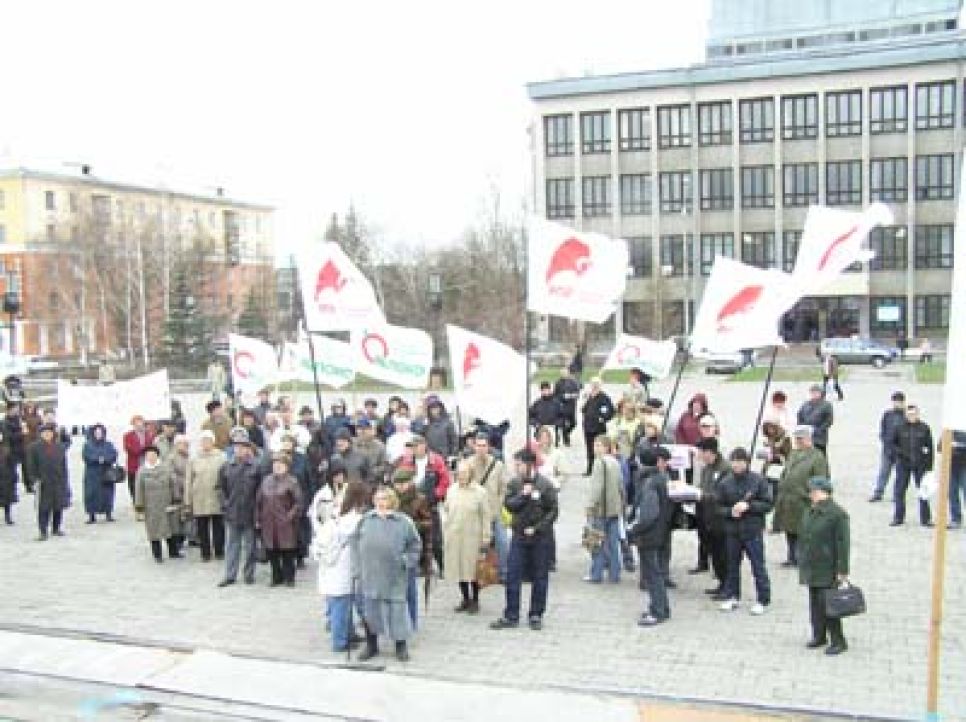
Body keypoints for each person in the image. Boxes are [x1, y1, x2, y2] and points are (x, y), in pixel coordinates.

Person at [490, 449, 559, 631]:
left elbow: (553, 511)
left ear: (529, 465)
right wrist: (523, 495)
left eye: (519, 464)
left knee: (539, 576)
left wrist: (537, 528)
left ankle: (536, 613)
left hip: (540, 537)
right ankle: (511, 614)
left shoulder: (545, 485)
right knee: (513, 574)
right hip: (519, 536)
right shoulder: (514, 484)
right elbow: (509, 505)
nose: (516, 467)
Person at [352, 486, 422, 662]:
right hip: (370, 574)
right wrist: (357, 567)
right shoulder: (366, 520)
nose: (381, 503)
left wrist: (406, 561)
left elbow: (415, 545)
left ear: (392, 501)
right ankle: (371, 645)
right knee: (370, 611)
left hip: (394, 575)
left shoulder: (403, 522)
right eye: (378, 499)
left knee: (397, 611)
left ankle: (400, 646)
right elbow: (354, 542)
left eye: (384, 499)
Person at [716, 447, 773, 615]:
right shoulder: (725, 482)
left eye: (740, 462)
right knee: (732, 565)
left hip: (752, 530)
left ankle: (763, 598)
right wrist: (729, 512)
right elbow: (718, 506)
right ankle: (732, 595)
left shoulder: (758, 481)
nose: (737, 465)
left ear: (747, 463)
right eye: (734, 462)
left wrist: (749, 506)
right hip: (732, 531)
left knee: (758, 566)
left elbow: (768, 504)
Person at [798, 476, 850, 655]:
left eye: (813, 491)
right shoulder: (810, 510)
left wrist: (842, 570)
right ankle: (819, 635)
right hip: (813, 564)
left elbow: (843, 544)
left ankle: (838, 640)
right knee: (815, 603)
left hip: (828, 566)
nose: (810, 494)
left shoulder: (837, 514)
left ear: (823, 492)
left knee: (829, 603)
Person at [317, 481, 368, 652]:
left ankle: (349, 634)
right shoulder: (354, 519)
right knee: (341, 604)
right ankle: (340, 641)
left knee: (340, 603)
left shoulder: (337, 512)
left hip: (330, 563)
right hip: (342, 566)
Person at [628, 446, 675, 626]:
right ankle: (662, 607)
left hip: (649, 534)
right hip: (660, 531)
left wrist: (633, 529)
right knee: (656, 573)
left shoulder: (649, 483)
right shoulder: (661, 479)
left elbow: (647, 515)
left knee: (652, 574)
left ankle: (658, 610)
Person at [774, 426, 829, 567]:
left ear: (809, 439)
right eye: (796, 439)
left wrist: (816, 498)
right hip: (788, 499)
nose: (798, 442)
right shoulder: (793, 453)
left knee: (803, 532)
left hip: (803, 500)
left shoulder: (817, 457)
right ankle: (792, 557)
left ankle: (804, 558)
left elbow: (821, 480)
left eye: (800, 439)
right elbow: (786, 470)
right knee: (789, 530)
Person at [444, 461, 492, 614]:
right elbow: (446, 510)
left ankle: (475, 600)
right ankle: (465, 598)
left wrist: (486, 537)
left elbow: (486, 516)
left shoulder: (480, 492)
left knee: (472, 570)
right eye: (459, 473)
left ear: (471, 474)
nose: (461, 476)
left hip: (472, 537)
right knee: (459, 569)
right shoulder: (451, 490)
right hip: (455, 536)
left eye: (464, 473)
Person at [217, 428, 262, 587]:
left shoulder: (256, 466)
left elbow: (260, 490)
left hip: (250, 512)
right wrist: (225, 504)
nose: (239, 449)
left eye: (243, 446)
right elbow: (220, 488)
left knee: (250, 547)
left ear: (248, 448)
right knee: (232, 546)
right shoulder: (226, 466)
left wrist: (258, 511)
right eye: (236, 446)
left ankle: (249, 574)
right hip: (232, 512)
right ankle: (230, 575)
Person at [390, 465, 433, 629]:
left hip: (410, 548)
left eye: (403, 483)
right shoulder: (391, 498)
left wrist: (410, 525)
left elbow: (428, 522)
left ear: (410, 483)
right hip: (392, 548)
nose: (400, 487)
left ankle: (411, 621)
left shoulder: (419, 499)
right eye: (397, 484)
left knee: (409, 588)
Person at [256, 453, 303, 587]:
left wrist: (290, 516)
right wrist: (258, 518)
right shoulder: (266, 480)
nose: (277, 466)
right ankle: (276, 577)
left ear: (286, 467)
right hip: (268, 522)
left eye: (280, 464)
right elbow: (259, 500)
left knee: (287, 551)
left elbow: (298, 502)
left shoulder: (292, 481)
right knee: (272, 551)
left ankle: (289, 578)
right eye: (275, 464)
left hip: (285, 522)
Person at [468, 433, 509, 583]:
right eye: (478, 445)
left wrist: (499, 505)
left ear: (488, 447)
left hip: (494, 511)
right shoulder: (468, 464)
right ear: (474, 447)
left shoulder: (497, 465)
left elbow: (504, 488)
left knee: (502, 542)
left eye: (484, 446)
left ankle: (504, 572)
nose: (481, 449)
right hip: (474, 512)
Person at [584, 435, 624, 584]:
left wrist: (590, 505)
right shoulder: (615, 462)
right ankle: (615, 573)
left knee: (597, 542)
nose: (596, 448)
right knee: (613, 543)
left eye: (599, 445)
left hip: (601, 509)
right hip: (614, 509)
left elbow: (597, 488)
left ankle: (596, 573)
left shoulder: (599, 463)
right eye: (595, 445)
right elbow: (621, 486)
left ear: (606, 447)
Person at [888, 404, 934, 527]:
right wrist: (899, 454)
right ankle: (898, 517)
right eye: (909, 414)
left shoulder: (924, 428)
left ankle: (926, 519)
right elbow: (891, 444)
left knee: (923, 491)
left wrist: (929, 467)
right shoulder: (899, 428)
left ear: (918, 414)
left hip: (920, 465)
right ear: (905, 415)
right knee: (899, 491)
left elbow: (930, 448)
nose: (912, 416)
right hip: (903, 464)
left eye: (914, 414)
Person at [695, 438, 730, 599]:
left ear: (709, 452)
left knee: (723, 554)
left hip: (720, 518)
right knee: (714, 553)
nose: (699, 455)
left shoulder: (725, 469)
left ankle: (728, 586)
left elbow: (722, 494)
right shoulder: (707, 468)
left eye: (701, 452)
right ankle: (721, 583)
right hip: (707, 516)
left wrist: (702, 495)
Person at [135, 445, 181, 562]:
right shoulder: (141, 471)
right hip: (151, 506)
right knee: (153, 531)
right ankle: (157, 555)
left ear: (157, 455)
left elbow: (173, 483)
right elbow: (138, 490)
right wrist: (139, 507)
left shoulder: (166, 468)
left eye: (153, 455)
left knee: (170, 529)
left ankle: (173, 552)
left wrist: (176, 499)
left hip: (166, 503)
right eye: (148, 455)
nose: (151, 457)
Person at [185, 430, 226, 562]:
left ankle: (219, 551)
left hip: (215, 495)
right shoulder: (194, 458)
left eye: (208, 440)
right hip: (199, 496)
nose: (206, 443)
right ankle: (205, 553)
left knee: (218, 525)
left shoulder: (221, 457)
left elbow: (226, 476)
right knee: (202, 527)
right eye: (203, 441)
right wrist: (188, 499)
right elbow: (188, 480)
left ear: (213, 442)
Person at [26, 423, 70, 541]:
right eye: (45, 433)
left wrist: (65, 481)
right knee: (43, 508)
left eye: (49, 432)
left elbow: (63, 466)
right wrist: (34, 480)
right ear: (41, 434)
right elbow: (30, 466)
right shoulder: (33, 447)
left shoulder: (60, 447)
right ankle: (43, 531)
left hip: (58, 480)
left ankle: (56, 528)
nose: (47, 434)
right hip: (43, 482)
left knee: (58, 506)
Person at [870, 391, 906, 503]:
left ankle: (897, 495)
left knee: (900, 475)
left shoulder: (905, 416)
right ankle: (878, 492)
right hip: (887, 449)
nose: (897, 404)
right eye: (895, 401)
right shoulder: (888, 414)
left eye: (899, 402)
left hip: (900, 451)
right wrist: (884, 441)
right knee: (883, 472)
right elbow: (883, 428)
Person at [81, 424, 118, 524]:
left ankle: (108, 513)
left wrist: (105, 459)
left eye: (100, 432)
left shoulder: (108, 444)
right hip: (92, 473)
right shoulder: (88, 444)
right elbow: (86, 456)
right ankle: (91, 515)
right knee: (91, 494)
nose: (98, 434)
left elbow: (113, 454)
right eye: (96, 432)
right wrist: (97, 459)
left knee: (107, 494)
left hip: (106, 472)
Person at [580, 377, 615, 476]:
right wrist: (585, 400)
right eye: (593, 385)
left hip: (598, 428)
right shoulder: (589, 397)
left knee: (601, 449)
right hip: (588, 427)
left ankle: (601, 469)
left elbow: (610, 411)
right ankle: (590, 468)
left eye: (596, 385)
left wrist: (603, 418)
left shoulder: (604, 397)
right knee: (590, 449)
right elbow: (583, 409)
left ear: (600, 386)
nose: (594, 387)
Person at [123, 415, 155, 503]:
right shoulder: (128, 436)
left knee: (146, 487)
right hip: (133, 466)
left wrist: (146, 451)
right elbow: (129, 449)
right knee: (134, 488)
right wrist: (144, 450)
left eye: (140, 422)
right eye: (136, 423)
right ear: (133, 424)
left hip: (147, 465)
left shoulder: (149, 435)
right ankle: (136, 506)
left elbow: (152, 448)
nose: (139, 425)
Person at [797, 385, 833, 457]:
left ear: (820, 393)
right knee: (806, 456)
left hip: (819, 437)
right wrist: (802, 430)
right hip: (806, 435)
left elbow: (829, 420)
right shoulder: (805, 404)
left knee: (820, 456)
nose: (814, 394)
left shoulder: (827, 405)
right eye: (812, 392)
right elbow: (799, 416)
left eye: (816, 392)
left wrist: (818, 430)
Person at [354, 419, 389, 486]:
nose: (362, 431)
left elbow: (385, 465)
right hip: (355, 482)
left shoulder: (379, 446)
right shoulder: (352, 445)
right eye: (359, 429)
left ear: (370, 430)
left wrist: (372, 471)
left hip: (372, 482)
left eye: (365, 429)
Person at [553, 368, 581, 447]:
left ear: (568, 373)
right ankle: (566, 440)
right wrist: (562, 397)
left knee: (573, 423)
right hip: (563, 407)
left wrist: (573, 395)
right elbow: (555, 395)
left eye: (565, 373)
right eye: (562, 373)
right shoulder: (558, 383)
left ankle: (565, 433)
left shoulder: (573, 382)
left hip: (572, 406)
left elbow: (577, 392)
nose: (564, 374)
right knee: (564, 424)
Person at [945, 430, 966, 529]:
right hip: (951, 467)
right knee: (952, 493)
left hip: (964, 467)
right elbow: (940, 446)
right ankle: (956, 519)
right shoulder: (949, 431)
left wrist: (958, 445)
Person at [0, 424, 18, 525]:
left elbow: (12, 461)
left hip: (6, 474)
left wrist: (14, 475)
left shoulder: (7, 447)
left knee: (6, 497)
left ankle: (7, 516)